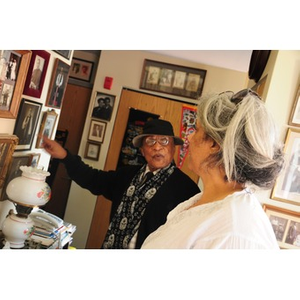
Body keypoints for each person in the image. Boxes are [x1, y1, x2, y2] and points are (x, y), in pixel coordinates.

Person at [142, 89, 285, 249]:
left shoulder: (234, 232)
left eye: (196, 130)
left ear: (214, 144)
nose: (189, 137)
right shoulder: (206, 202)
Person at [42, 119, 200, 249]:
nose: (157, 147)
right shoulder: (126, 175)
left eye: (164, 141)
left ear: (173, 148)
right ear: (142, 150)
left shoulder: (187, 190)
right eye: (150, 141)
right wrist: (64, 156)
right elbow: (93, 179)